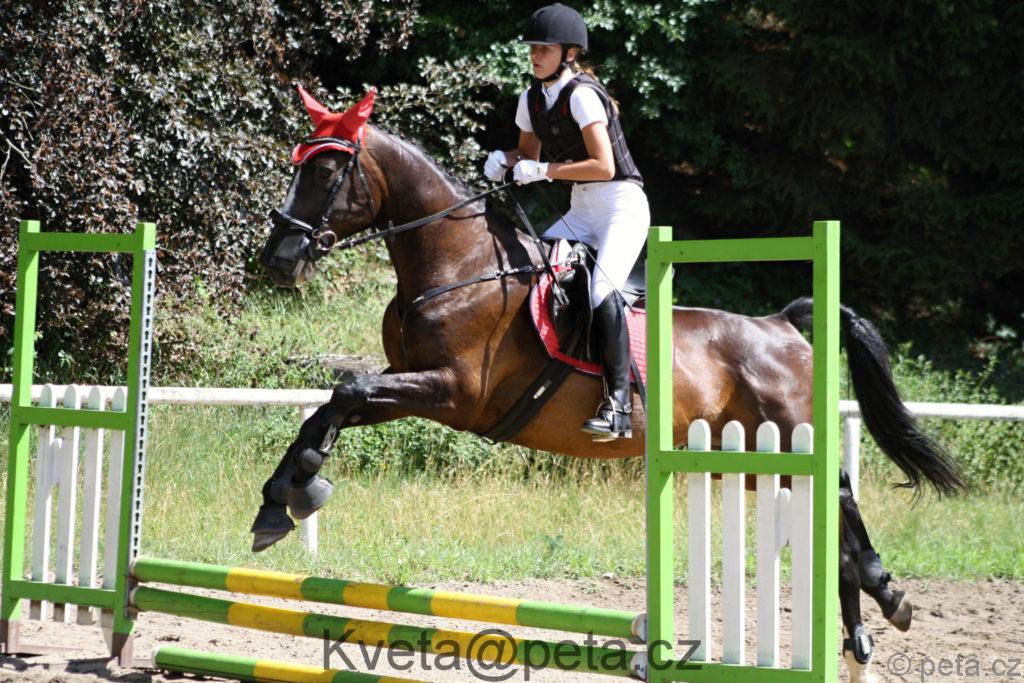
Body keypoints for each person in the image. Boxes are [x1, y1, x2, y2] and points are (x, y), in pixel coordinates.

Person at [484, 3, 650, 441]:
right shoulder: (531, 99)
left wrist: (543, 171)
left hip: (621, 206)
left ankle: (619, 409)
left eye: (545, 48)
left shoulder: (582, 95)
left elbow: (604, 166)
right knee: (534, 274)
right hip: (581, 209)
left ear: (569, 54)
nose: (535, 55)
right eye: (533, 48)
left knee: (601, 291)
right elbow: (528, 155)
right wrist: (505, 159)